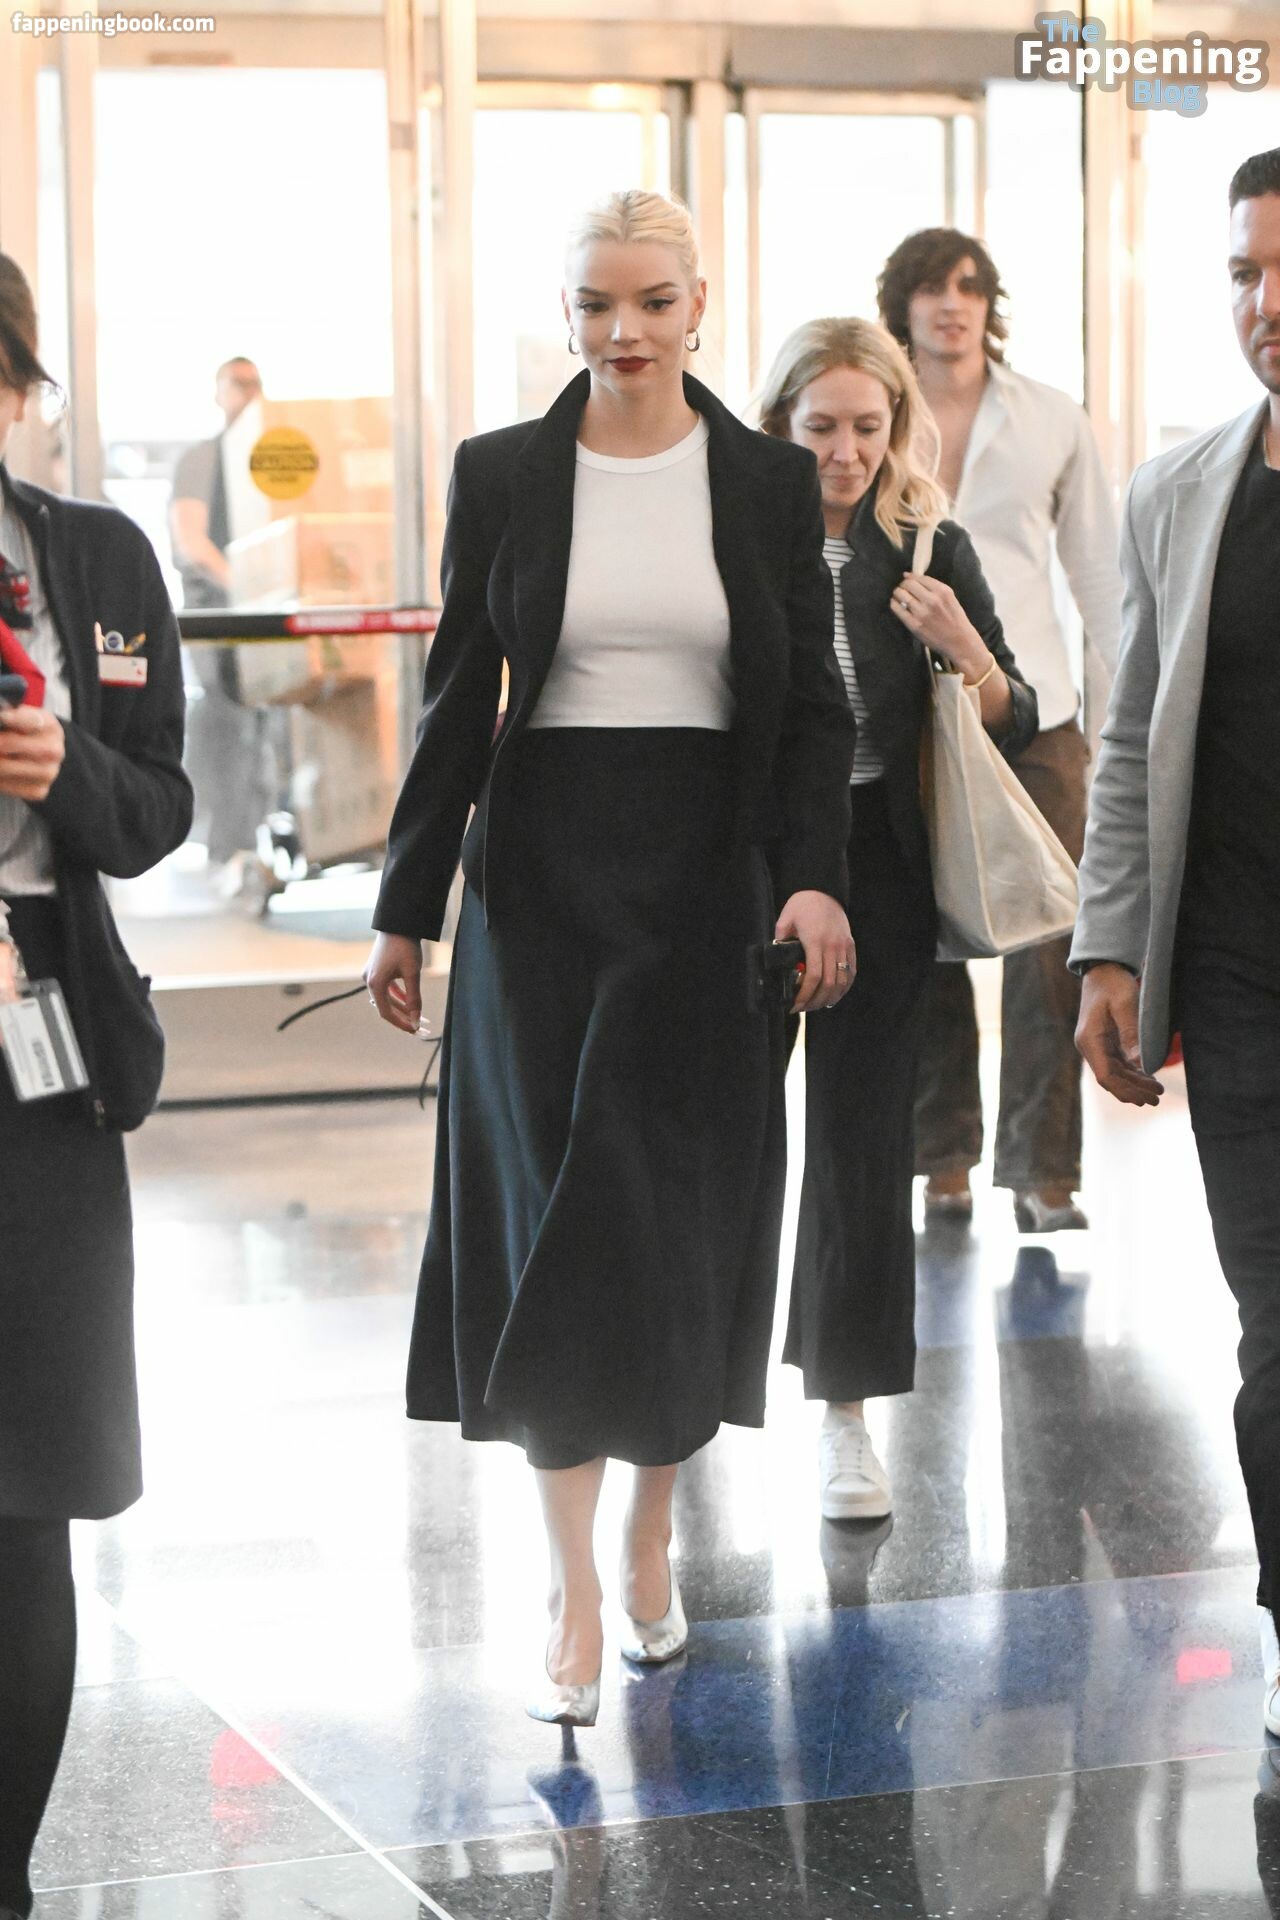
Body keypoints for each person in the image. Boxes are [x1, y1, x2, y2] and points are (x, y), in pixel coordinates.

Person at [365, 189, 856, 1727]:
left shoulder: (767, 481)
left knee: (670, 1220)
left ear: (699, 305)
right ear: (567, 313)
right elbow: (460, 694)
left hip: (707, 883)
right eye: (596, 304)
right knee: (553, 1221)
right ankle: (571, 1582)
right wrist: (405, 901)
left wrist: (815, 883)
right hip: (543, 889)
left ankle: (652, 1530)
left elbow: (814, 707)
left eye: (651, 301)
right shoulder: (503, 473)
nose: (624, 331)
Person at [759, 317, 1037, 1520]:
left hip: (879, 862)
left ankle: (845, 1414)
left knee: (863, 1142)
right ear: (776, 423)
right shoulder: (736, 535)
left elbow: (1014, 709)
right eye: (819, 427)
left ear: (895, 425)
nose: (844, 452)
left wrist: (960, 644)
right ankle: (687, 1391)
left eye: (866, 428)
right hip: (753, 863)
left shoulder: (927, 541)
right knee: (716, 1130)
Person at [1073, 146, 1280, 1738]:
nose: (1266, 304)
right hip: (1244, 972)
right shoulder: (1178, 494)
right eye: (1243, 274)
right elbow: (1135, 739)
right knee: (1277, 1324)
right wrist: (1108, 947)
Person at [0, 254, 192, 1920]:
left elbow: (159, 808)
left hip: (43, 1043)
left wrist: (71, 773)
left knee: (30, 1483)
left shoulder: (98, 559)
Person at [877, 229, 1121, 1232]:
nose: (953, 304)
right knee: (925, 939)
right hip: (912, 713)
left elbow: (1098, 577)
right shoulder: (875, 415)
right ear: (902, 305)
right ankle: (939, 1157)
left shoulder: (1050, 418)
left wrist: (1121, 723)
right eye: (932, 288)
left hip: (1037, 714)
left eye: (970, 288)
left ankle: (1041, 1172)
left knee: (1052, 942)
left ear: (990, 305)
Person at [169, 357, 266, 872]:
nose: (249, 394)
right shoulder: (203, 459)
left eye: (256, 384)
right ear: (218, 393)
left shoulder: (263, 459)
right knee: (229, 722)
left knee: (259, 727)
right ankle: (228, 847)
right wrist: (245, 587)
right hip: (218, 616)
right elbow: (190, 540)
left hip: (259, 618)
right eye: (239, 384)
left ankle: (246, 842)